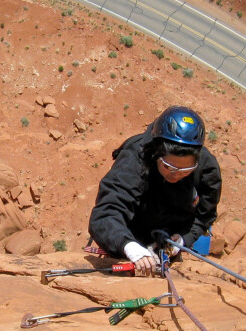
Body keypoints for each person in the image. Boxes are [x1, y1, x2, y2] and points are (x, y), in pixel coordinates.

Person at [88, 106, 221, 276]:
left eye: (185, 171)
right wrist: (129, 246)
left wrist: (182, 239)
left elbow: (205, 216)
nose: (175, 175)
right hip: (126, 241)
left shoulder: (206, 169)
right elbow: (106, 213)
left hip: (167, 248)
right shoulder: (135, 157)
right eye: (168, 166)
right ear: (156, 154)